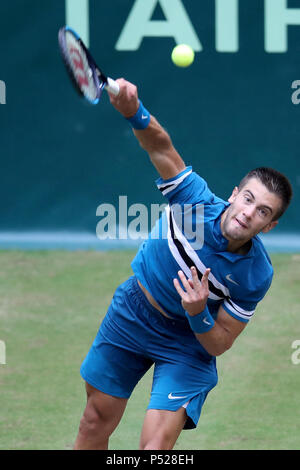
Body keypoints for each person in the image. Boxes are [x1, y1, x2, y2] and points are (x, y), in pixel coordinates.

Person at [73, 79, 292, 450]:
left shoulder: (257, 274)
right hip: (134, 313)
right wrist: (133, 111)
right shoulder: (194, 201)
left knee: (155, 449)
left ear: (269, 226)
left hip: (189, 344)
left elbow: (220, 342)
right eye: (248, 199)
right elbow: (161, 147)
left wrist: (197, 313)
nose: (248, 213)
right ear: (234, 195)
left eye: (262, 212)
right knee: (95, 421)